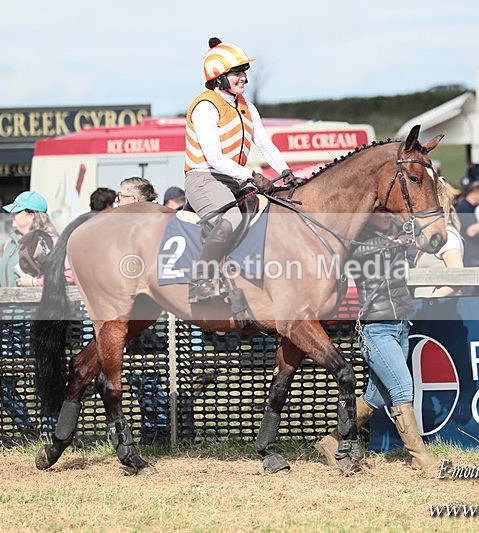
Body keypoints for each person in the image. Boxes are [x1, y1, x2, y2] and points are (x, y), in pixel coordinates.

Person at [315, 208, 435, 473]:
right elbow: (361, 252)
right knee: (402, 388)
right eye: (381, 212)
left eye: (389, 212)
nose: (388, 216)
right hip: (376, 329)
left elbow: (426, 241)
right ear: (367, 214)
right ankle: (420, 457)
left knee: (376, 396)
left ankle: (331, 441)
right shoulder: (356, 239)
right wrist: (397, 240)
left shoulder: (395, 231)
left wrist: (417, 229)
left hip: (400, 324)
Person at [183, 37, 295, 303]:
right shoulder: (206, 106)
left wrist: (286, 172)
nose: (244, 77)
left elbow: (265, 145)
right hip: (204, 178)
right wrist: (253, 176)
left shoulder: (246, 106)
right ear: (218, 77)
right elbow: (214, 157)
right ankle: (199, 281)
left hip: (233, 179)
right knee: (232, 218)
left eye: (244, 71)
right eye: (236, 73)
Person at [0, 191, 74, 438]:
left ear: (33, 215)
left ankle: (52, 432)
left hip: (39, 319)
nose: (12, 217)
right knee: (2, 380)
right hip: (8, 321)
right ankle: (28, 429)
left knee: (45, 374)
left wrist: (36, 283)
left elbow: (68, 276)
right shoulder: (11, 243)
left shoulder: (52, 241)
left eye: (17, 212)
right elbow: (9, 275)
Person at [413, 180, 464, 298]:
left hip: (439, 306)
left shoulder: (448, 236)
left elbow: (458, 279)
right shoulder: (435, 236)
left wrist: (432, 298)